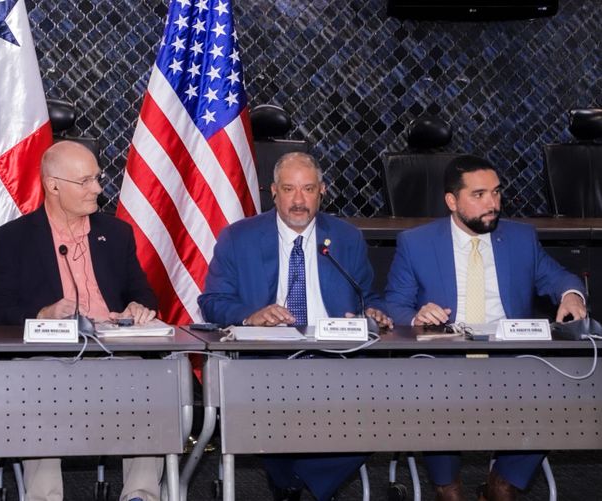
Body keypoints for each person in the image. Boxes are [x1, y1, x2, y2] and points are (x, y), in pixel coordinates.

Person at [384, 154, 586, 501]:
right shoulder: (416, 243)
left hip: (512, 359)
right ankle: (447, 486)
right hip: (445, 359)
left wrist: (570, 296)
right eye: (479, 195)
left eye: (496, 192)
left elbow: (559, 278)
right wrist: (418, 315)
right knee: (429, 390)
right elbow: (393, 304)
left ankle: (503, 481)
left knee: (562, 390)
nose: (492, 203)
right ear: (452, 201)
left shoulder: (521, 238)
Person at [198, 151, 392, 501]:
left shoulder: (345, 238)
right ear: (274, 192)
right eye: (289, 189)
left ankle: (290, 479)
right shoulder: (238, 237)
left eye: (308, 189)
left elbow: (370, 296)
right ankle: (298, 478)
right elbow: (212, 301)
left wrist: (374, 314)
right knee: (270, 408)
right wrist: (251, 315)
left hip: (337, 359)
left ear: (322, 191)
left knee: (386, 409)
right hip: (267, 362)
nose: (299, 200)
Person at [0, 140, 161, 501]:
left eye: (97, 178)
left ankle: (141, 496)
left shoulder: (117, 234)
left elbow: (144, 293)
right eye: (85, 181)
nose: (98, 189)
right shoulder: (12, 239)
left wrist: (137, 307)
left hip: (113, 355)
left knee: (152, 382)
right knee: (36, 385)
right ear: (53, 185)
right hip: (47, 359)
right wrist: (42, 315)